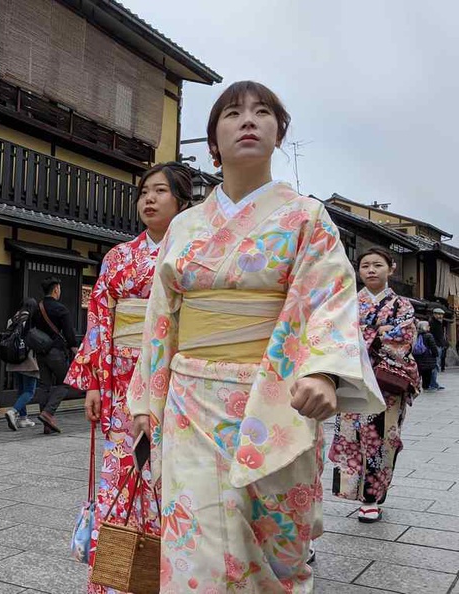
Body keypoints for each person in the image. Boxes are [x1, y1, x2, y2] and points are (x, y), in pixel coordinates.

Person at [126, 81, 385, 592]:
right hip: (189, 398)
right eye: (233, 113)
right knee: (196, 542)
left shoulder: (307, 217)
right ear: (213, 143)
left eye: (262, 112)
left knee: (277, 550)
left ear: (278, 133)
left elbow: (329, 298)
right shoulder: (185, 227)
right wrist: (146, 397)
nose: (249, 120)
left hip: (274, 398)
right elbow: (162, 316)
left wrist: (324, 371)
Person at [65, 162, 192, 593]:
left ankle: (168, 574)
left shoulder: (195, 251)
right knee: (122, 471)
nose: (149, 200)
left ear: (182, 200)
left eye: (160, 191)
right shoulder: (119, 257)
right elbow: (100, 319)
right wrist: (96, 383)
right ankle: (114, 577)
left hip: (175, 376)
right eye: (143, 193)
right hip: (121, 378)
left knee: (169, 473)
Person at [331, 248, 420, 522]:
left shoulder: (402, 305)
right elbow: (337, 333)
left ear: (391, 268)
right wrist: (376, 332)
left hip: (385, 383)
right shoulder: (347, 302)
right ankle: (352, 491)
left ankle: (372, 498)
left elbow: (404, 336)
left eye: (377, 265)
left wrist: (365, 335)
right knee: (350, 436)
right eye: (365, 265)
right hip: (353, 379)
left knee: (382, 438)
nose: (371, 270)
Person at [33, 276, 78, 434]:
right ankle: (48, 413)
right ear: (56, 289)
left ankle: (47, 424)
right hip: (56, 351)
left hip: (40, 351)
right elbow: (69, 333)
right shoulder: (60, 309)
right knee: (65, 382)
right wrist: (75, 350)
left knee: (44, 385)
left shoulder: (36, 308)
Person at [4, 298, 39, 431]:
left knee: (21, 390)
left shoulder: (12, 320)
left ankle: (23, 418)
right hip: (29, 359)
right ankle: (13, 411)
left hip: (14, 359)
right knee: (29, 391)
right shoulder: (31, 320)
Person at [414, 320, 440, 392]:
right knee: (428, 372)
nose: (429, 327)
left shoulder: (415, 335)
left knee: (420, 371)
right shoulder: (429, 335)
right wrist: (436, 354)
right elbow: (433, 346)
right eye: (428, 326)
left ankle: (417, 385)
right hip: (427, 356)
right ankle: (426, 387)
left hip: (417, 356)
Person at [429, 307, 447, 389]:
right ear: (434, 314)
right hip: (436, 346)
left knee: (436, 364)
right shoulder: (433, 323)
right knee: (435, 365)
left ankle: (434, 383)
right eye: (439, 314)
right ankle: (433, 384)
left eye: (441, 315)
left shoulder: (438, 323)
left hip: (439, 345)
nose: (440, 316)